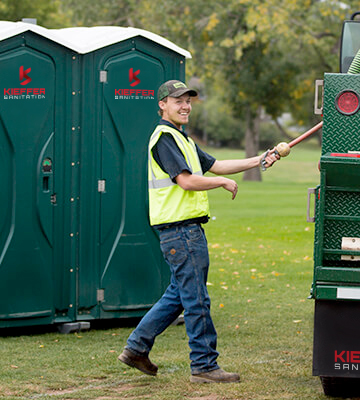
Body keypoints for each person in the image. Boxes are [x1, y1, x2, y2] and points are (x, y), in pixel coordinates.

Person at [117, 80, 281, 384]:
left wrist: (261, 158)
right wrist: (221, 184)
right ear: (162, 104)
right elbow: (186, 181)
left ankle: (136, 348)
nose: (185, 106)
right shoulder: (164, 138)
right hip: (181, 232)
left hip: (184, 231)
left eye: (188, 101)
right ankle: (204, 365)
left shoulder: (183, 140)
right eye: (178, 100)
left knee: (179, 294)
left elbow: (217, 165)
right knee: (196, 299)